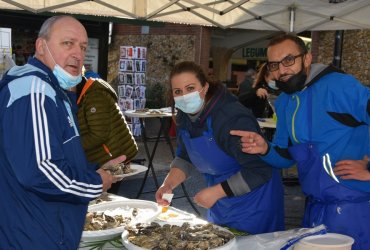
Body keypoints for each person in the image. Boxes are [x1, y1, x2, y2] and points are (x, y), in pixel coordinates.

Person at [230, 34, 370, 249]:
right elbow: (286, 157)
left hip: (356, 210)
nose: (281, 70)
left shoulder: (339, 86)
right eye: (274, 65)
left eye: (289, 60)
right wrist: (265, 148)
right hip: (314, 211)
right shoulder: (286, 101)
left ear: (306, 59)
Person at [0, 15, 116, 249]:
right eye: (68, 43)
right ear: (41, 46)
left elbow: (53, 154)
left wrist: (93, 167)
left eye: (83, 47)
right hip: (34, 237)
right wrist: (95, 183)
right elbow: (40, 170)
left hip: (44, 231)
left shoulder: (52, 89)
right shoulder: (34, 90)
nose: (78, 53)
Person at [155, 61, 284, 234]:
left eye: (190, 88)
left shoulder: (231, 117)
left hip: (255, 202)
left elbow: (258, 170)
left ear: (205, 87)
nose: (184, 96)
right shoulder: (185, 117)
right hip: (221, 201)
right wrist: (168, 184)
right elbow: (185, 156)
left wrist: (215, 192)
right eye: (178, 91)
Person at [76, 72, 138, 194]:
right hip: (108, 158)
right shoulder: (84, 96)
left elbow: (98, 135)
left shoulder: (94, 95)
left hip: (112, 157)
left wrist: (71, 145)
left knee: (104, 200)